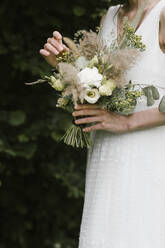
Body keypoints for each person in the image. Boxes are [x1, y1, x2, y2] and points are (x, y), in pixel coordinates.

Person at [40, 0, 165, 247]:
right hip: (106, 155)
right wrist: (65, 64)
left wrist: (127, 122)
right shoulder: (110, 16)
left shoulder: (162, 12)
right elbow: (104, 86)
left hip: (150, 155)